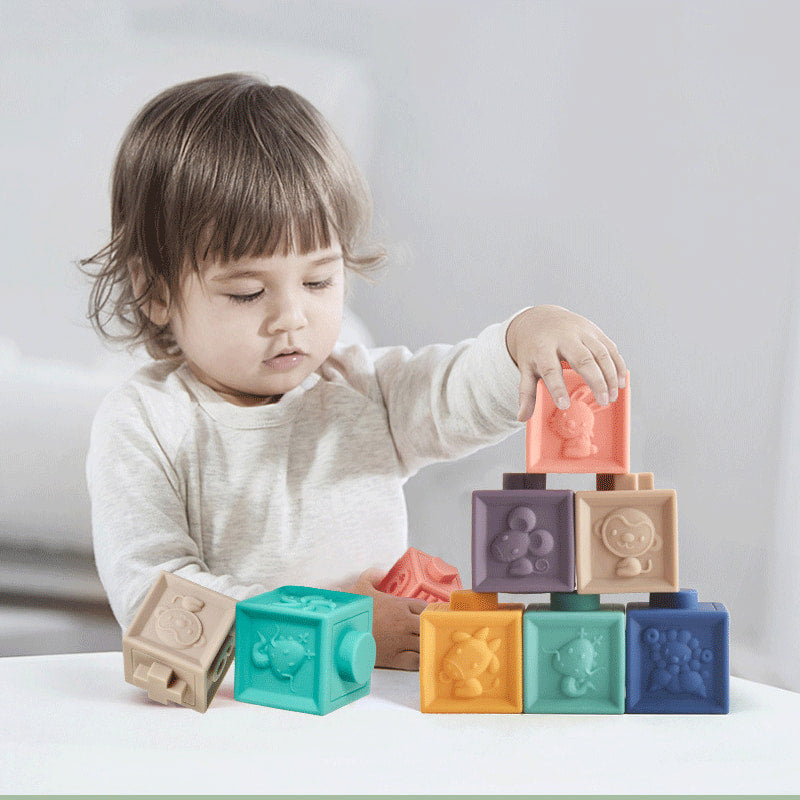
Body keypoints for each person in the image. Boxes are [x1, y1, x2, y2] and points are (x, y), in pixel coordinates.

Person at [82, 73, 626, 670]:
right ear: (154, 292)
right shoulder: (146, 423)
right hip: (235, 716)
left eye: (318, 281)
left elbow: (450, 392)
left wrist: (523, 338)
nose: (291, 318)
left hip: (371, 709)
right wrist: (333, 627)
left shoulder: (361, 388)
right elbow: (156, 598)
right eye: (245, 293)